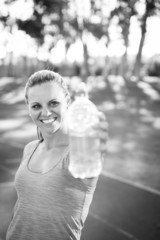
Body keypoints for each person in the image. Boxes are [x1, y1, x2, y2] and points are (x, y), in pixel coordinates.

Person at [6, 70, 108, 240]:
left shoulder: (78, 155)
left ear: (67, 102)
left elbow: (89, 160)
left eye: (53, 103)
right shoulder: (30, 148)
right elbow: (22, 207)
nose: (45, 113)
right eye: (36, 106)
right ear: (29, 109)